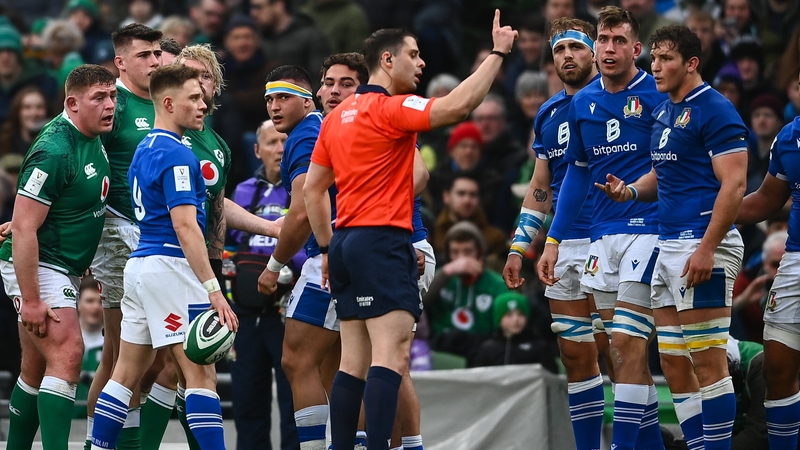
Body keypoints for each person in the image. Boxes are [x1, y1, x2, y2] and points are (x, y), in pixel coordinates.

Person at [302, 11, 517, 450]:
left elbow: (312, 190)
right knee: (391, 356)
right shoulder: (391, 108)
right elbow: (457, 106)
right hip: (382, 240)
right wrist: (497, 54)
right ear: (387, 60)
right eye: (413, 55)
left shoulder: (337, 117)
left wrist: (325, 248)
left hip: (343, 244)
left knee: (353, 361)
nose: (421, 63)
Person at [598, 25, 750, 449]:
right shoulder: (665, 110)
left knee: (708, 363)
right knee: (674, 362)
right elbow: (662, 175)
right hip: (667, 246)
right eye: (654, 59)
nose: (656, 67)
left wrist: (707, 248)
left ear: (691, 63)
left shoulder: (716, 109)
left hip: (701, 245)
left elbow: (735, 184)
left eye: (666, 59)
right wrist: (630, 191)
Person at [137, 43, 283, 450]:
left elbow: (216, 205)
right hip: (171, 260)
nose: (197, 83)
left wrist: (269, 227)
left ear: (215, 85)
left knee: (175, 368)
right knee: (170, 369)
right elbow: (172, 212)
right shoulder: (169, 137)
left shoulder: (216, 144)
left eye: (204, 76)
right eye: (189, 74)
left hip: (204, 262)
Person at [538, 7, 668, 450]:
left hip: (650, 228)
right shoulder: (581, 104)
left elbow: (674, 162)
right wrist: (552, 240)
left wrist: (634, 192)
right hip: (600, 235)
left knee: (628, 344)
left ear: (636, 49)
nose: (609, 49)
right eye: (605, 40)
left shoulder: (658, 92)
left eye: (618, 41)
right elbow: (576, 174)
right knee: (619, 352)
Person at [90, 63, 238, 450]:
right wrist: (214, 289)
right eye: (194, 98)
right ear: (169, 103)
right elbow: (185, 227)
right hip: (172, 266)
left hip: (141, 267)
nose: (203, 105)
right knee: (201, 375)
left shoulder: (144, 148)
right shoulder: (178, 154)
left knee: (124, 374)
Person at [502, 17, 609, 450]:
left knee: (619, 352)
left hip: (611, 238)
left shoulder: (618, 98)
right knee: (576, 356)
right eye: (560, 49)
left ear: (595, 52)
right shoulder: (547, 113)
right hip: (561, 245)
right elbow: (540, 186)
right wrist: (518, 245)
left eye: (576, 47)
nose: (568, 56)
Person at [0, 63, 115, 450]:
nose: (110, 105)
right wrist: (31, 300)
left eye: (112, 96)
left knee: (35, 370)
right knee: (69, 351)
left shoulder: (92, 133)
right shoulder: (54, 150)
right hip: (40, 261)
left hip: (61, 263)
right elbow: (24, 230)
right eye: (99, 98)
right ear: (72, 103)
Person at [85, 23, 163, 450]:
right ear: (120, 62)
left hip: (158, 237)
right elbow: (81, 164)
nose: (154, 61)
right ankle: (103, 444)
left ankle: (107, 442)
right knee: (122, 354)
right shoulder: (111, 103)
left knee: (148, 357)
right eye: (144, 55)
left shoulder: (165, 99)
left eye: (157, 53)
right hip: (118, 234)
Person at [258, 64, 335, 450]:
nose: (275, 106)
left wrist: (273, 266)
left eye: (284, 97)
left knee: (296, 359)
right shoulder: (323, 127)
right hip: (361, 250)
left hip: (329, 260)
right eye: (269, 99)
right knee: (342, 369)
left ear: (308, 101)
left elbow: (304, 211)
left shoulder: (305, 136)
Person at [227, 119, 301, 450]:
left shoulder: (304, 187)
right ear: (257, 150)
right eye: (272, 143)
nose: (280, 149)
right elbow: (227, 245)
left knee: (295, 400)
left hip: (288, 313)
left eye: (285, 142)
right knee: (247, 402)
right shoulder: (242, 192)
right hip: (245, 314)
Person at [735, 70, 800, 449]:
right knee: (776, 369)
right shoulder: (789, 137)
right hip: (794, 259)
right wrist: (712, 211)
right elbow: (765, 200)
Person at [424, 221, 507, 364]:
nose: (461, 259)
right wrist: (447, 271)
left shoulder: (497, 284)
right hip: (443, 346)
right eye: (455, 252)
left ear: (480, 252)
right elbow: (419, 300)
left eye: (468, 252)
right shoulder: (439, 278)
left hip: (481, 347)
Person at [472, 291, 559, 372]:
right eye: (509, 315)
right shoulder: (488, 348)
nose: (516, 319)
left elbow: (551, 375)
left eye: (520, 314)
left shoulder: (539, 346)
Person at [75, 275, 105, 419]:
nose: (96, 307)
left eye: (100, 302)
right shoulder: (61, 340)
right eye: (90, 301)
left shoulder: (117, 343)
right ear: (78, 303)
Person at [0, 86, 50, 156]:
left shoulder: (56, 142)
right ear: (17, 111)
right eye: (27, 107)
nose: (33, 113)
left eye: (39, 107)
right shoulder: (4, 142)